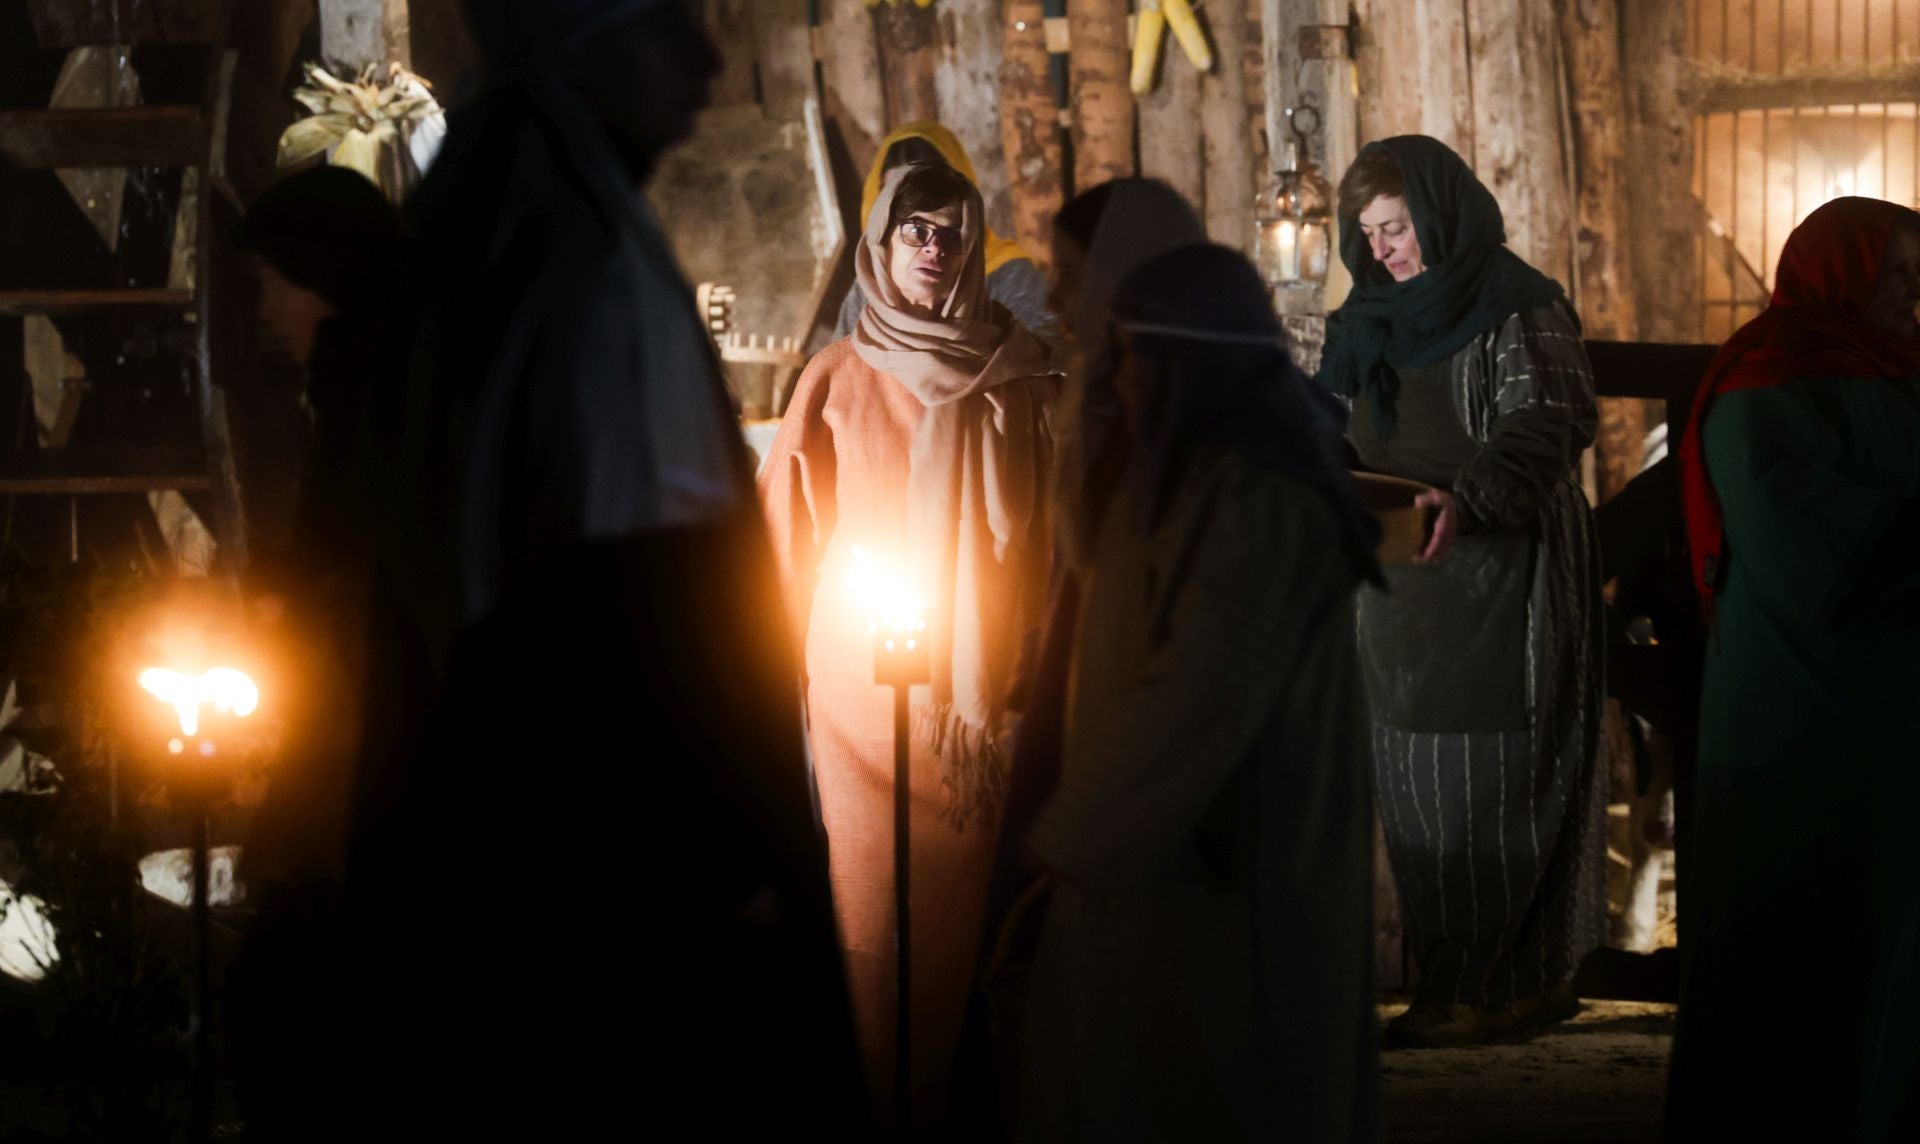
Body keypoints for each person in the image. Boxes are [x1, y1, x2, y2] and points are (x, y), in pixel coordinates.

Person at [339, 2, 864, 1138]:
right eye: (667, 23)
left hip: (490, 827)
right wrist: (730, 858)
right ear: (586, 35)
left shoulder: (482, 219)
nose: (709, 61)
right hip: (605, 870)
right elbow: (643, 601)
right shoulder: (587, 270)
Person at [1019, 243, 1381, 1142]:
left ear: (1186, 363)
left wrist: (1069, 845)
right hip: (1177, 870)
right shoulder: (1193, 483)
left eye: (1135, 361)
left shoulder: (1260, 498)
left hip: (1234, 877)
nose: (1123, 387)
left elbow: (1200, 691)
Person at [759, 160, 1062, 1129]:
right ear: (880, 247)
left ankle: (928, 1097)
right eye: (914, 231)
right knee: (865, 908)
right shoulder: (837, 376)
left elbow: (1045, 531)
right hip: (861, 680)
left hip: (976, 689)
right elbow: (778, 536)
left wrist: (1020, 647)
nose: (934, 249)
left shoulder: (1014, 367)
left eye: (951, 231)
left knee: (947, 922)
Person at [1316, 135, 1605, 1047]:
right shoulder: (1368, 319)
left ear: (1441, 213)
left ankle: (1510, 982)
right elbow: (1332, 422)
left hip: (1500, 578)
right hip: (1401, 600)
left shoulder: (1517, 307)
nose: (1383, 251)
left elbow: (1549, 420)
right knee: (1416, 789)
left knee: (1500, 781)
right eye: (1366, 233)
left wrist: (1467, 500)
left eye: (1396, 228)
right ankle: (1448, 985)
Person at [1668, 196, 1920, 1142]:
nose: (1911, 295)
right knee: (1797, 935)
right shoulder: (1764, 386)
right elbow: (1807, 546)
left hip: (1890, 707)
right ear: (1842, 273)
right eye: (1896, 274)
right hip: (1800, 707)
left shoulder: (1896, 370)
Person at [224, 166, 398, 1143]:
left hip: (367, 762)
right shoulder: (360, 383)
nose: (263, 309)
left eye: (274, 283)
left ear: (324, 278)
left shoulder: (366, 390)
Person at [834, 122, 1058, 344]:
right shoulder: (870, 283)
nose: (933, 247)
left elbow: (1044, 359)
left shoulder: (1008, 273)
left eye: (925, 193)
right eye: (914, 228)